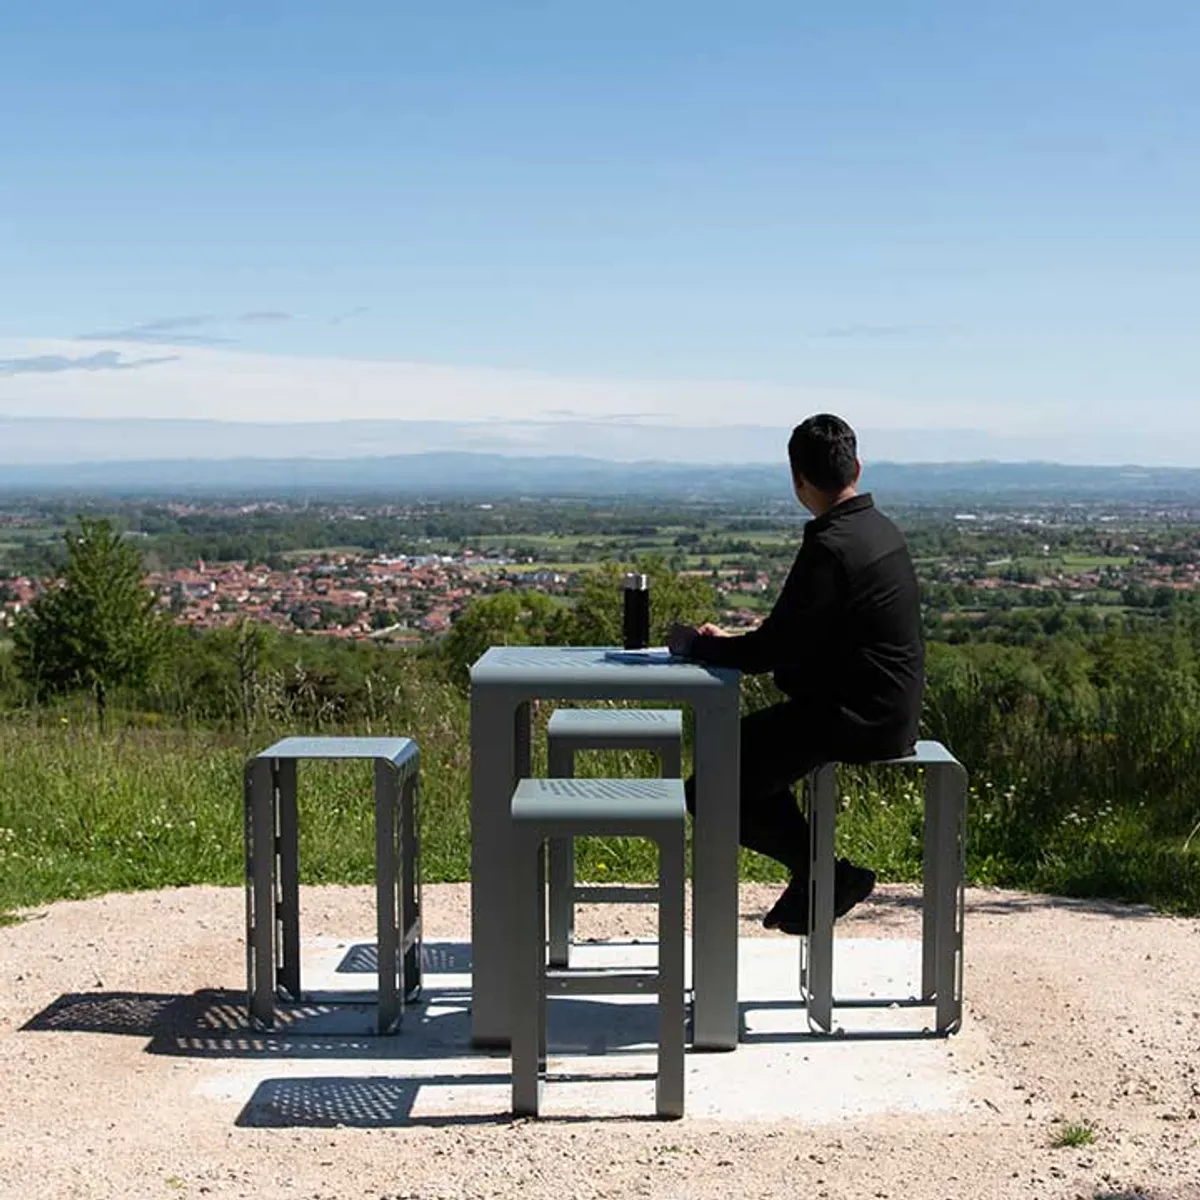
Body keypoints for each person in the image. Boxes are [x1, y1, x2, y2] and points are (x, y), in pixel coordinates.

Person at [667, 414, 924, 933]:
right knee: (741, 757)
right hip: (890, 710)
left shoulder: (829, 544)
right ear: (856, 465)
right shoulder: (878, 529)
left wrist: (699, 647)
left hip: (854, 717)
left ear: (797, 481)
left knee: (709, 783)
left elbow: (770, 650)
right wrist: (742, 645)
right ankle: (819, 876)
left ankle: (821, 873)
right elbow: (801, 637)